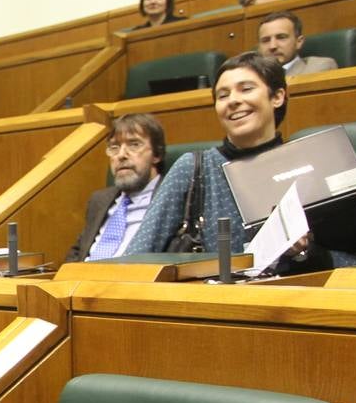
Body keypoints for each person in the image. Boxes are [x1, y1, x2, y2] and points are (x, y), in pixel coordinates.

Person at [126, 52, 294, 257]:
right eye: (223, 95)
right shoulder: (193, 167)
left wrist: (307, 253)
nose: (233, 100)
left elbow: (342, 260)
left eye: (246, 89)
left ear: (277, 97)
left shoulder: (304, 162)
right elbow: (137, 254)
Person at [65, 114, 166, 261]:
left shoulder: (172, 197)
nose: (121, 155)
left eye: (134, 144)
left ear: (156, 154)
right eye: (114, 147)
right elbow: (78, 253)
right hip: (85, 280)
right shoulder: (99, 200)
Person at [258, 11, 338, 77]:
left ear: (299, 42)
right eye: (265, 40)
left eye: (281, 37)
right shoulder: (253, 75)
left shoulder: (318, 67)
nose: (273, 46)